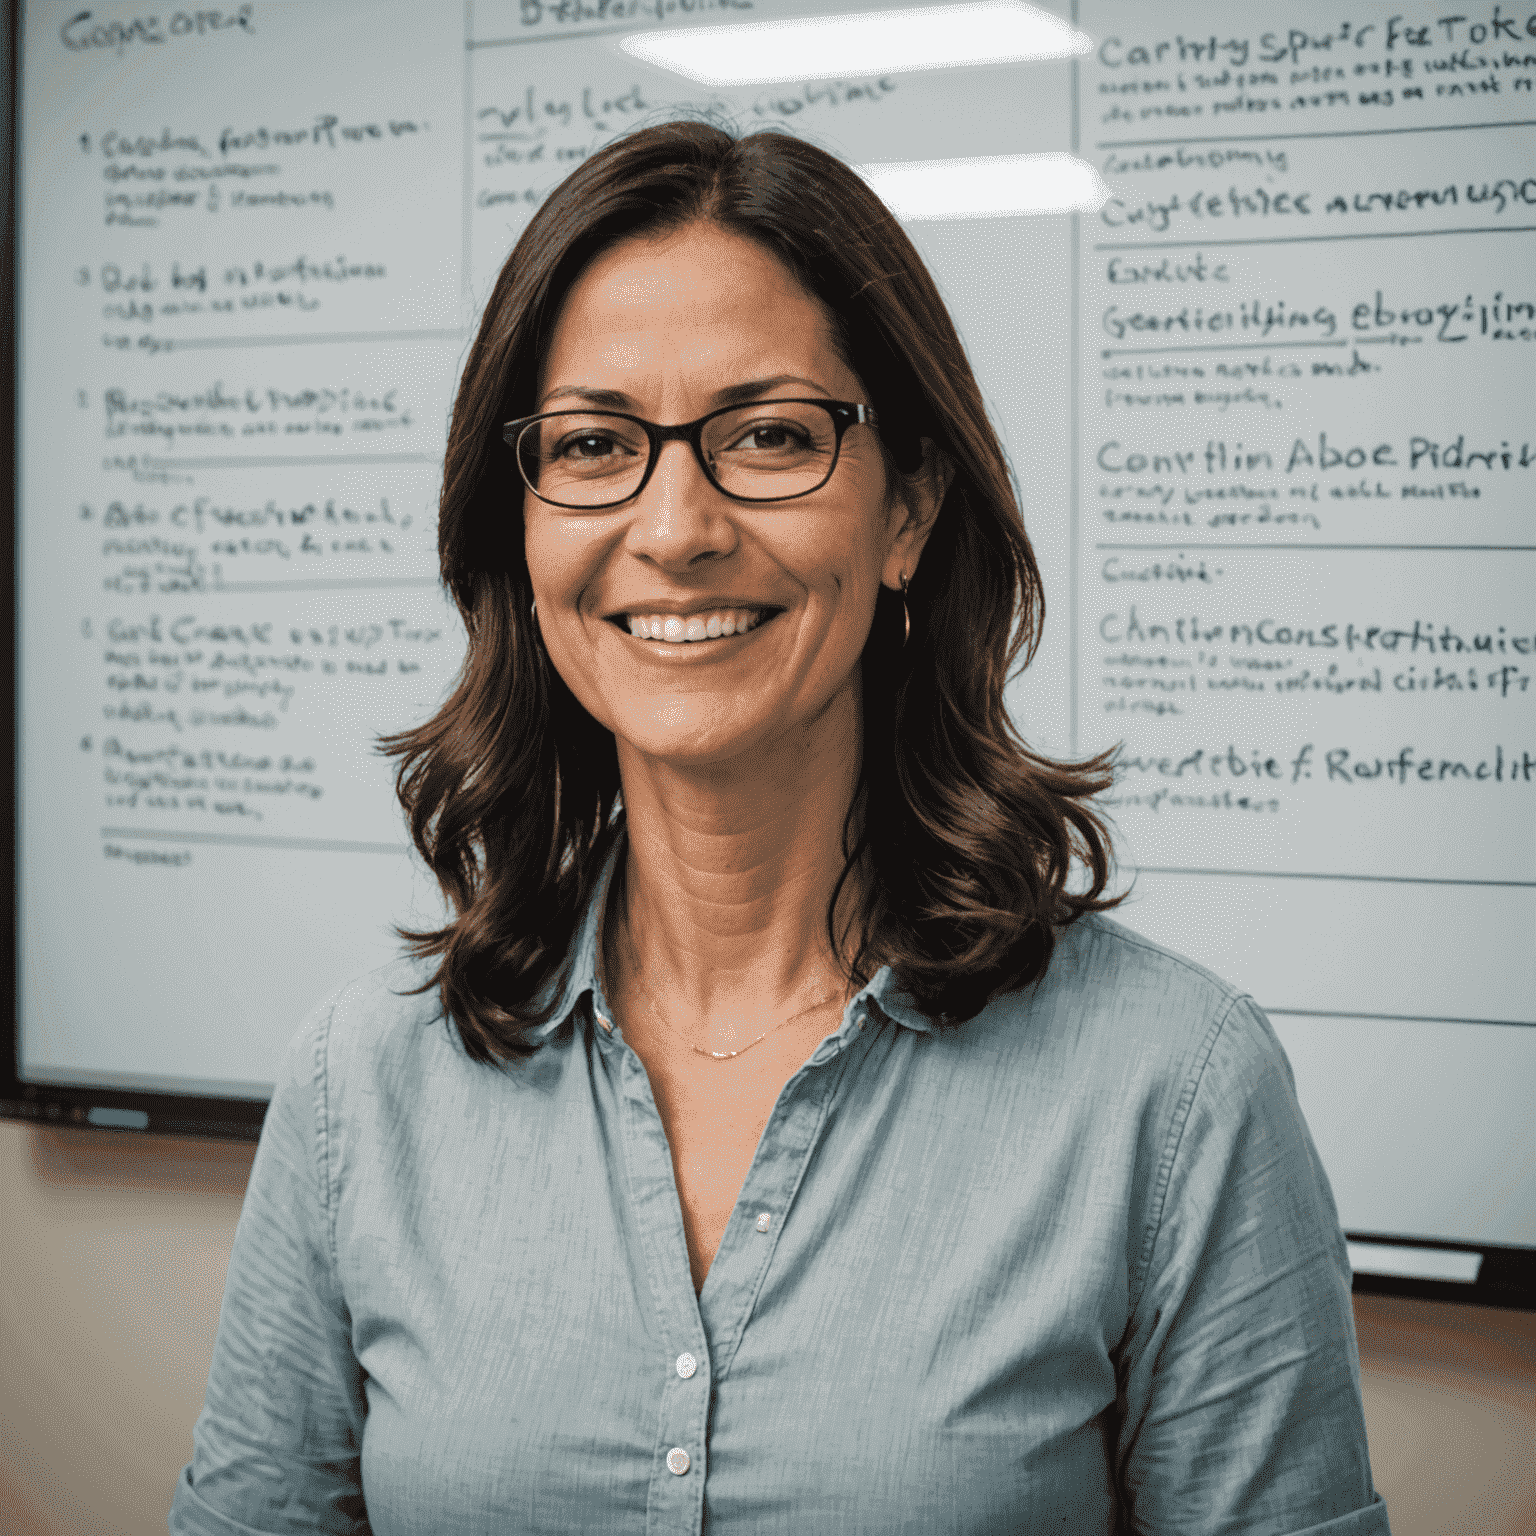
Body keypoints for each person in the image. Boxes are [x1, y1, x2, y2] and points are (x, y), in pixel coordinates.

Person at [169, 120, 1392, 1535]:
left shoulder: (1175, 1096)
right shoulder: (359, 1090)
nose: (675, 524)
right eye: (591, 445)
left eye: (769, 436)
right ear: (520, 527)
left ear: (910, 512)